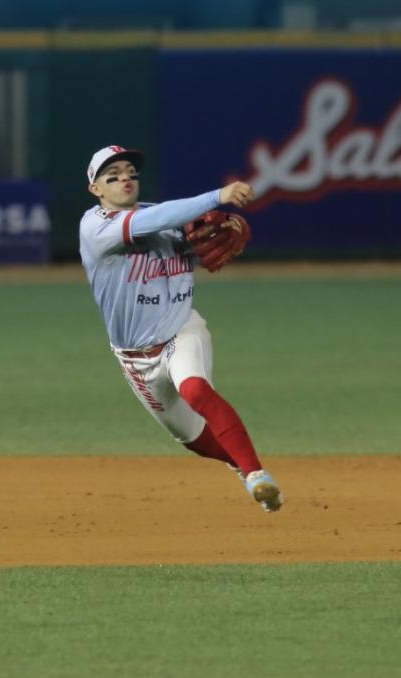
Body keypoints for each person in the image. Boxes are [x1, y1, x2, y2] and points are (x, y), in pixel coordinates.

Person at [78, 145, 284, 513]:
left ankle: (256, 475)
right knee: (193, 438)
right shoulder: (95, 226)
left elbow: (185, 227)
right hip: (134, 358)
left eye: (130, 171)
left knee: (195, 388)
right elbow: (154, 220)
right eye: (113, 175)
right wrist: (217, 196)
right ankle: (240, 464)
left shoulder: (167, 217)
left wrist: (227, 230)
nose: (125, 177)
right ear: (95, 189)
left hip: (180, 330)